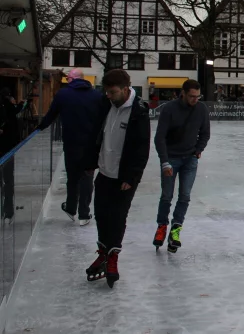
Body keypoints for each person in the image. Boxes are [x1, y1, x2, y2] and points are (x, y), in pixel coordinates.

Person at [84, 69, 150, 288]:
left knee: (117, 217)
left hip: (124, 177)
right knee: (101, 215)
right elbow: (96, 134)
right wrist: (91, 162)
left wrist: (132, 176)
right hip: (104, 172)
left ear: (125, 89)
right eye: (107, 92)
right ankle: (103, 252)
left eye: (112, 92)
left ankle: (112, 258)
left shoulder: (139, 111)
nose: (109, 96)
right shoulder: (106, 104)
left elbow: (142, 148)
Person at [37, 69, 104, 226]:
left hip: (71, 143)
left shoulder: (63, 94)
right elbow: (104, 118)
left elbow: (51, 115)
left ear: (73, 79)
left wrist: (39, 128)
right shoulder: (97, 96)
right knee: (87, 177)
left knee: (73, 177)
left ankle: (71, 207)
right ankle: (84, 214)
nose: (67, 79)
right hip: (91, 145)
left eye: (68, 77)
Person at [153, 79, 211, 254]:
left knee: (184, 196)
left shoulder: (201, 109)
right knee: (166, 196)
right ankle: (162, 226)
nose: (195, 99)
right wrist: (164, 161)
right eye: (192, 96)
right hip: (171, 159)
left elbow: (205, 133)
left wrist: (199, 149)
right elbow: (159, 137)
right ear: (183, 94)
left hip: (190, 159)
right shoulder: (169, 109)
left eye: (197, 96)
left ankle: (175, 230)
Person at [0, 89, 26, 224]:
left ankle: (7, 212)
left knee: (7, 180)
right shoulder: (7, 106)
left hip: (6, 148)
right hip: (7, 148)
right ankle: (7, 213)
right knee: (8, 180)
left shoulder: (6, 106)